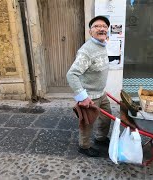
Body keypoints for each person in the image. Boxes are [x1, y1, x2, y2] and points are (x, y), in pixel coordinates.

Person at [66, 16, 112, 157]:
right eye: (97, 26)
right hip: (89, 96)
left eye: (104, 26)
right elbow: (71, 74)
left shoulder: (102, 45)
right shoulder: (86, 51)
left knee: (106, 118)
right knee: (87, 123)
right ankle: (84, 146)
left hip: (101, 93)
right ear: (90, 31)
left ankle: (100, 138)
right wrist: (83, 97)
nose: (102, 28)